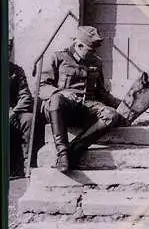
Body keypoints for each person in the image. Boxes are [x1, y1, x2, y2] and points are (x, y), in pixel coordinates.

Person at [39, 26, 122, 173]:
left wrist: (121, 105)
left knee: (111, 115)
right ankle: (62, 153)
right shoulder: (58, 57)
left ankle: (75, 149)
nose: (93, 54)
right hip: (60, 109)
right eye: (90, 50)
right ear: (78, 45)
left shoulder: (96, 62)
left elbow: (101, 92)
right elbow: (42, 86)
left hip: (86, 107)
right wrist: (61, 92)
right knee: (56, 99)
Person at [9, 38, 39, 177]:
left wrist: (14, 112)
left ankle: (27, 165)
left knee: (29, 119)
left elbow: (25, 96)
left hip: (13, 111)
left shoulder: (16, 71)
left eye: (9, 49)